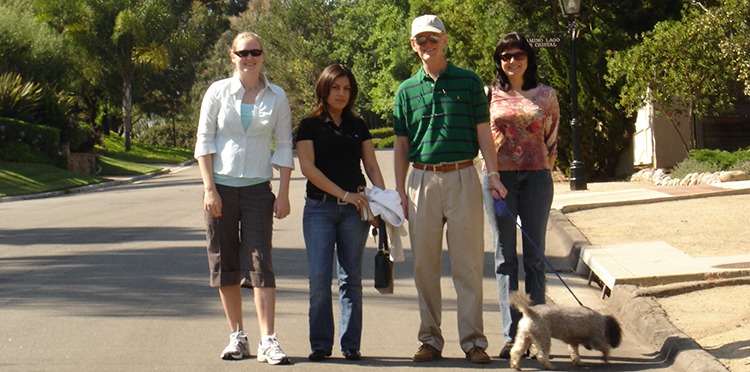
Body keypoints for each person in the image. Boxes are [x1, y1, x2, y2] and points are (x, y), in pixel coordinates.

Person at [392, 14, 507, 364]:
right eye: (420, 40)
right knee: (424, 267)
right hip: (421, 180)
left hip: (463, 177)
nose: (427, 45)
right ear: (413, 45)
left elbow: (483, 132)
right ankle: (430, 339)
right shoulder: (405, 90)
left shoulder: (469, 81)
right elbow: (400, 144)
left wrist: (494, 174)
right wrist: (399, 191)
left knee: (468, 264)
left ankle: (473, 341)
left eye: (433, 38)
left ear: (445, 41)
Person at [194, 31, 294, 365]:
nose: (249, 58)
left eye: (255, 52)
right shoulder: (218, 92)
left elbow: (282, 147)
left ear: (263, 56)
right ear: (232, 56)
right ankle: (237, 336)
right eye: (243, 52)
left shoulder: (277, 96)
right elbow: (204, 142)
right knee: (225, 263)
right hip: (221, 190)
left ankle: (268, 340)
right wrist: (209, 189)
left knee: (260, 263)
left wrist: (283, 193)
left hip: (257, 192)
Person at [296, 64, 386, 361]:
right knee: (319, 280)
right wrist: (344, 194)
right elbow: (308, 168)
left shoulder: (358, 125)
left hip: (355, 213)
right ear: (324, 88)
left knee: (351, 279)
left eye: (347, 89)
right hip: (319, 209)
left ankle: (351, 345)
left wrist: (382, 201)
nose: (342, 94)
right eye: (336, 87)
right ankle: (321, 345)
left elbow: (371, 165)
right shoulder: (308, 125)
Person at [481, 32, 560, 358]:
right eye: (505, 56)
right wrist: (490, 174)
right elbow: (482, 139)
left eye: (518, 55)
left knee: (535, 258)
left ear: (529, 57)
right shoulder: (488, 94)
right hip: (499, 184)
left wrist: (541, 168)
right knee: (505, 260)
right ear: (499, 61)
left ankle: (537, 333)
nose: (512, 61)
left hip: (537, 181)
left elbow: (552, 139)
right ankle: (512, 335)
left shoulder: (546, 94)